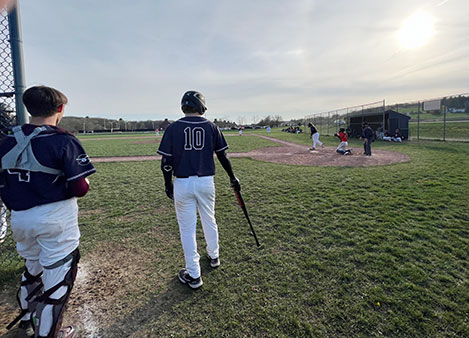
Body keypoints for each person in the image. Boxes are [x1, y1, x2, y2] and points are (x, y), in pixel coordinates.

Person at [1, 86, 96, 338]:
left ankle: (26, 316)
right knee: (58, 279)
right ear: (60, 109)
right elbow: (80, 187)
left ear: (28, 109)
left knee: (32, 267)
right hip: (55, 218)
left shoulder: (7, 139)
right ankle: (48, 334)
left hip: (20, 218)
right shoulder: (62, 139)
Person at [157, 90, 240, 290]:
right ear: (201, 106)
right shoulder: (211, 126)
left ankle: (194, 274)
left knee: (187, 229)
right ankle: (214, 255)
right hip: (206, 182)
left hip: (183, 182)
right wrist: (232, 177)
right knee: (209, 218)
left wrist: (168, 183)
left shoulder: (173, 128)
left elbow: (166, 162)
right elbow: (222, 156)